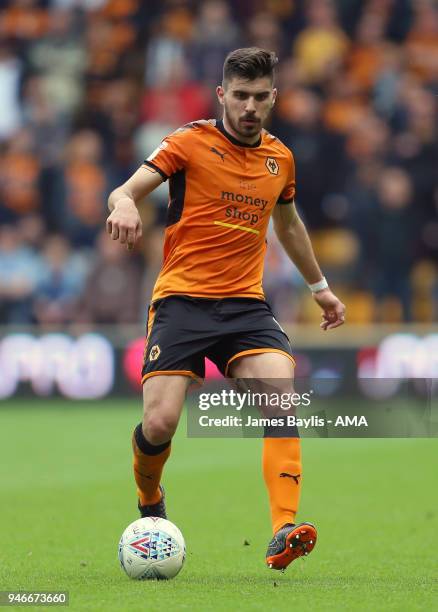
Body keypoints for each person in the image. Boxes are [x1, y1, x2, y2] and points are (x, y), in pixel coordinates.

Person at [106, 48, 346, 571]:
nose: (250, 107)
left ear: (274, 98)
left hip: (244, 306)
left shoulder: (279, 158)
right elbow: (128, 188)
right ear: (222, 95)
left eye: (260, 97)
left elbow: (288, 225)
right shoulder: (188, 142)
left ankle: (284, 528)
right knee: (161, 422)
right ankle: (150, 498)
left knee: (281, 396)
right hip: (181, 301)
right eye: (240, 96)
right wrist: (124, 203)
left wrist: (319, 286)